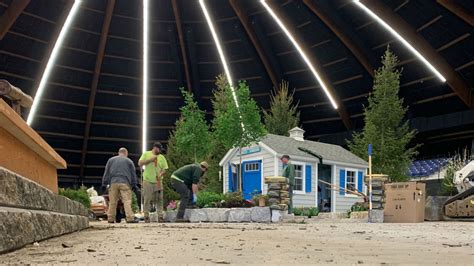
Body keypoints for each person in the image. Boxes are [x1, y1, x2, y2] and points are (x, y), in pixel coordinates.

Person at [102, 147, 138, 223]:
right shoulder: (129, 161)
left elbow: (106, 172)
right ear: (126, 153)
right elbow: (133, 174)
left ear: (119, 152)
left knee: (112, 202)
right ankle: (129, 218)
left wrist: (104, 183)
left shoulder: (110, 160)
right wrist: (134, 184)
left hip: (113, 182)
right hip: (125, 183)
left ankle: (110, 218)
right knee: (127, 201)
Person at [138, 142, 169, 223]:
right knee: (147, 199)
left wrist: (161, 174)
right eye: (159, 149)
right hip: (147, 180)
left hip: (158, 181)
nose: (160, 151)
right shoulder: (146, 154)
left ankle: (160, 217)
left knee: (160, 199)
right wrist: (150, 160)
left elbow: (165, 169)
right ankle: (146, 217)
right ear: (155, 148)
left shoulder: (162, 157)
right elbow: (140, 163)